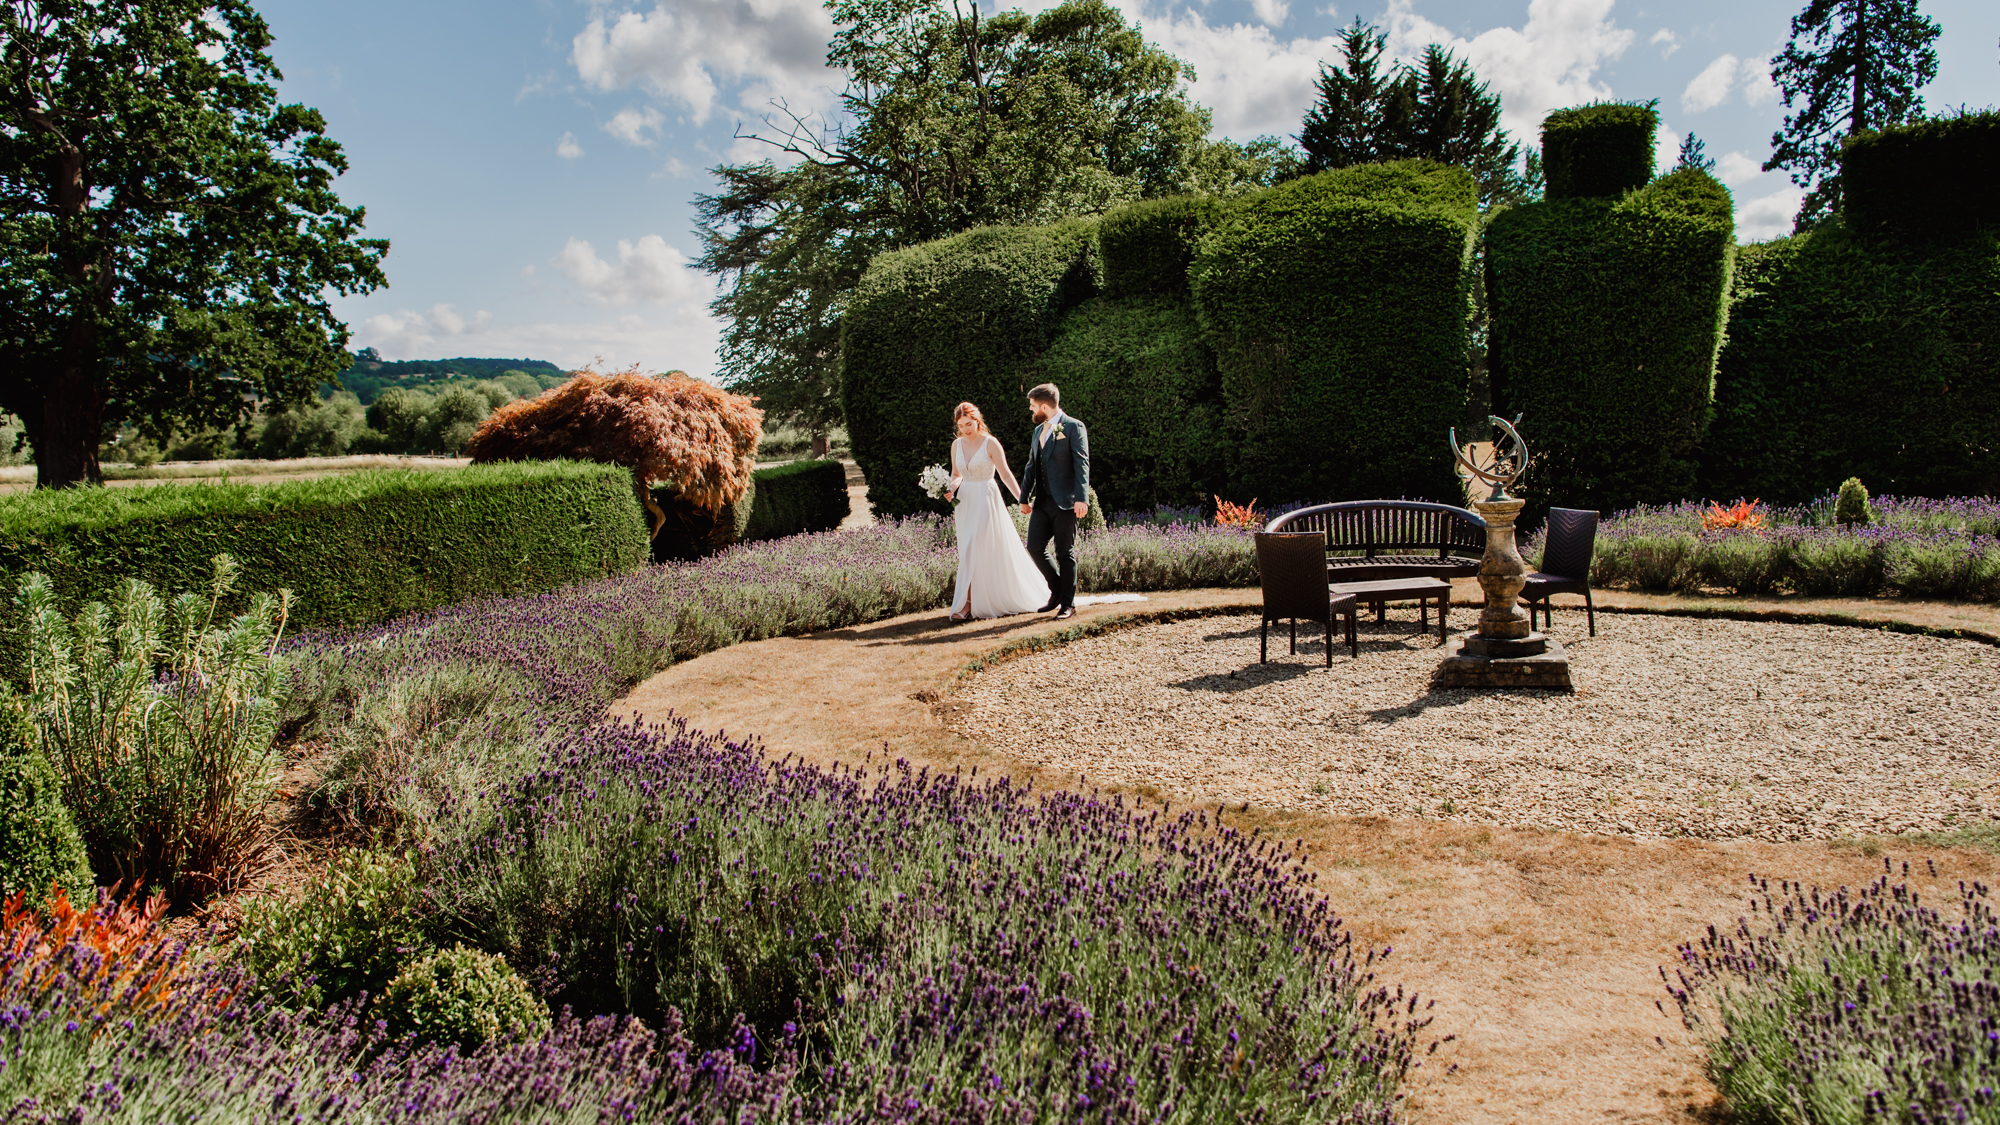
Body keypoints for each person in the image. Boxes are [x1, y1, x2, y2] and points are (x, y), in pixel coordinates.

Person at [945, 402, 1051, 621]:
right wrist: (951, 487)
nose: (966, 429)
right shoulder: (956, 445)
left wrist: (1022, 499)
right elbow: (956, 474)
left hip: (985, 497)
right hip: (965, 501)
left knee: (973, 547)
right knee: (967, 550)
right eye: (962, 425)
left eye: (969, 424)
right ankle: (972, 602)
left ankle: (967, 604)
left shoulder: (990, 443)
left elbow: (1005, 474)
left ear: (977, 420)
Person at [1017, 383, 1090, 620]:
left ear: (1044, 406)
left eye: (1032, 406)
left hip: (1067, 502)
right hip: (1043, 502)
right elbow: (1031, 467)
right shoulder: (1038, 432)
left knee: (1064, 552)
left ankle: (1068, 605)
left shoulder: (1073, 427)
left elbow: (1082, 464)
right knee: (1035, 547)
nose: (1031, 410)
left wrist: (1082, 498)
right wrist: (1023, 497)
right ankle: (1057, 591)